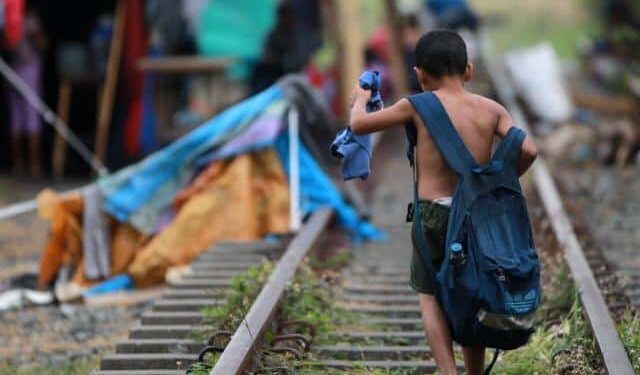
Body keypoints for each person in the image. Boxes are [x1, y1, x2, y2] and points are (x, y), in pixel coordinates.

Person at [349, 29, 537, 375]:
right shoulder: (491, 109)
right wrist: (499, 186)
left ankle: (448, 372)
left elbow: (359, 125)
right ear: (468, 70)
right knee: (472, 290)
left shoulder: (416, 106)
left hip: (433, 215)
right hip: (475, 217)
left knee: (431, 298)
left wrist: (361, 96)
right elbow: (528, 149)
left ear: (419, 74)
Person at [6, 4, 45, 177]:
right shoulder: (11, 18)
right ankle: (21, 165)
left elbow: (42, 44)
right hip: (15, 67)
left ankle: (32, 165)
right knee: (19, 117)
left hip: (27, 67)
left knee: (28, 116)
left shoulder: (28, 20)